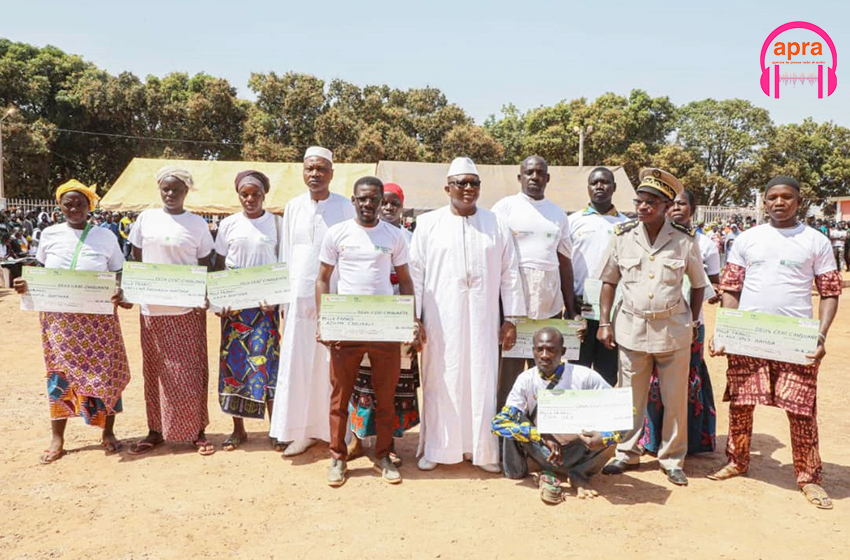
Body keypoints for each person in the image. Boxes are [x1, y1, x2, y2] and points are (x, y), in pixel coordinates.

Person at [708, 176, 841, 510]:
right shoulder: (747, 240)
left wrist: (820, 335)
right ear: (764, 202)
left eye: (787, 197)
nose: (779, 203)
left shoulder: (816, 241)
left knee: (801, 409)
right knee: (740, 402)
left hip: (795, 339)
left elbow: (829, 292)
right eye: (772, 197)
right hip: (749, 336)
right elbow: (731, 289)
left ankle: (809, 477)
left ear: (799, 201)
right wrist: (727, 330)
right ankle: (737, 461)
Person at [409, 156, 525, 473]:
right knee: (440, 377)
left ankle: (482, 450)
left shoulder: (496, 223)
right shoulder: (428, 224)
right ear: (447, 188)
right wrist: (413, 318)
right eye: (461, 183)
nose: (467, 188)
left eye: (473, 183)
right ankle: (438, 448)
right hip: (439, 318)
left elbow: (510, 273)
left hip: (484, 318)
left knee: (482, 378)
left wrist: (512, 317)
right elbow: (415, 274)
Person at [596, 168, 706, 487]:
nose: (643, 207)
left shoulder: (684, 240)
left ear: (666, 205)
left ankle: (672, 458)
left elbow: (698, 284)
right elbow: (608, 281)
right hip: (631, 327)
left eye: (651, 202)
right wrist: (605, 322)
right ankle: (627, 452)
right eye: (639, 201)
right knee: (630, 395)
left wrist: (694, 319)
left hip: (673, 330)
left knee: (674, 399)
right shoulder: (622, 235)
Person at [12, 180, 131, 464]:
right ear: (60, 207)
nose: (74, 208)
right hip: (60, 323)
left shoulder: (105, 237)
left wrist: (121, 292)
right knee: (60, 376)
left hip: (99, 321)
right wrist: (25, 283)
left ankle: (108, 432)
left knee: (106, 370)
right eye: (68, 204)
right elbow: (41, 271)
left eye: (80, 203)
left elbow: (119, 273)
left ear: (90, 206)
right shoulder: (50, 234)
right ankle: (58, 438)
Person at [316, 176, 421, 486]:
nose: (368, 204)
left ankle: (384, 454)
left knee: (385, 398)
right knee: (340, 397)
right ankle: (337, 457)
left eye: (374, 198)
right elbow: (322, 279)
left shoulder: (395, 236)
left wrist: (409, 320)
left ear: (380, 200)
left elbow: (405, 281)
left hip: (384, 328)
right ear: (353, 200)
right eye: (362, 198)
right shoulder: (337, 234)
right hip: (346, 327)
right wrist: (324, 321)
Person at [269, 147, 355, 456]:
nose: (314, 174)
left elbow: (350, 253)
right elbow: (286, 253)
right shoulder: (292, 206)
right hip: (297, 298)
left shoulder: (345, 207)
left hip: (333, 296)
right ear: (303, 172)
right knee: (298, 365)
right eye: (309, 169)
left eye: (320, 169)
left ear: (332, 173)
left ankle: (335, 431)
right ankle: (300, 432)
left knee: (333, 367)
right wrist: (283, 300)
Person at [127, 166, 216, 456]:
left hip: (186, 312)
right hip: (153, 311)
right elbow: (137, 260)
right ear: (159, 189)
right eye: (165, 189)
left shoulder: (197, 225)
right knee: (156, 372)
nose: (170, 194)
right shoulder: (146, 219)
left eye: (176, 189)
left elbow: (205, 265)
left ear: (186, 192)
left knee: (190, 372)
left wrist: (202, 294)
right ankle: (156, 430)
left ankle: (197, 431)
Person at [492, 327, 627, 503]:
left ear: (562, 351)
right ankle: (524, 469)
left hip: (581, 449)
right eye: (539, 349)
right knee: (513, 416)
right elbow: (498, 423)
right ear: (533, 351)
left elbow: (624, 413)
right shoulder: (526, 379)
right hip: (542, 449)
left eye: (551, 349)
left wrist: (602, 437)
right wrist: (541, 435)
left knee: (611, 437)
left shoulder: (584, 376)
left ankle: (578, 474)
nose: (544, 355)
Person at [491, 155, 582, 408]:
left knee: (546, 376)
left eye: (540, 173)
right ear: (520, 177)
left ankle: (543, 438)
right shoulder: (504, 208)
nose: (534, 177)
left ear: (547, 178)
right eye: (529, 172)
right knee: (507, 379)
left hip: (549, 308)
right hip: (512, 312)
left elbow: (564, 263)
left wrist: (571, 311)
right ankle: (504, 439)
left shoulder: (558, 214)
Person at [347, 183, 421, 465]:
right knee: (360, 381)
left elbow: (411, 282)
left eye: (394, 203)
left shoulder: (407, 239)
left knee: (392, 384)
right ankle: (355, 440)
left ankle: (386, 444)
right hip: (363, 318)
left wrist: (413, 320)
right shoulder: (356, 233)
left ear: (401, 207)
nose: (388, 207)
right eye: (385, 202)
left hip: (395, 319)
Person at [641, 189, 719, 455]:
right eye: (671, 203)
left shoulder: (704, 243)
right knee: (651, 383)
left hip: (690, 324)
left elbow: (711, 286)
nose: (676, 208)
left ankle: (690, 440)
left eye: (681, 204)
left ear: (692, 209)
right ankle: (650, 440)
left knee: (686, 382)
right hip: (654, 323)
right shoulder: (647, 238)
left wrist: (694, 318)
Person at [212, 170, 282, 451]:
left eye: (255, 194)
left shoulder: (277, 224)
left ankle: (275, 429)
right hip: (234, 311)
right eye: (245, 194)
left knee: (267, 366)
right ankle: (238, 429)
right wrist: (219, 300)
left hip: (265, 311)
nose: (250, 199)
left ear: (265, 195)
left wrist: (276, 298)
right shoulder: (229, 225)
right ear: (238, 195)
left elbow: (284, 265)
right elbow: (218, 265)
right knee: (234, 367)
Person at [567, 167, 629, 386]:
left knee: (607, 373)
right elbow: (563, 265)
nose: (599, 187)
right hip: (580, 307)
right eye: (594, 183)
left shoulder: (626, 225)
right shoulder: (573, 221)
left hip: (612, 312)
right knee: (576, 372)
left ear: (614, 187)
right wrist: (571, 308)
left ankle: (602, 420)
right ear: (588, 188)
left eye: (605, 182)